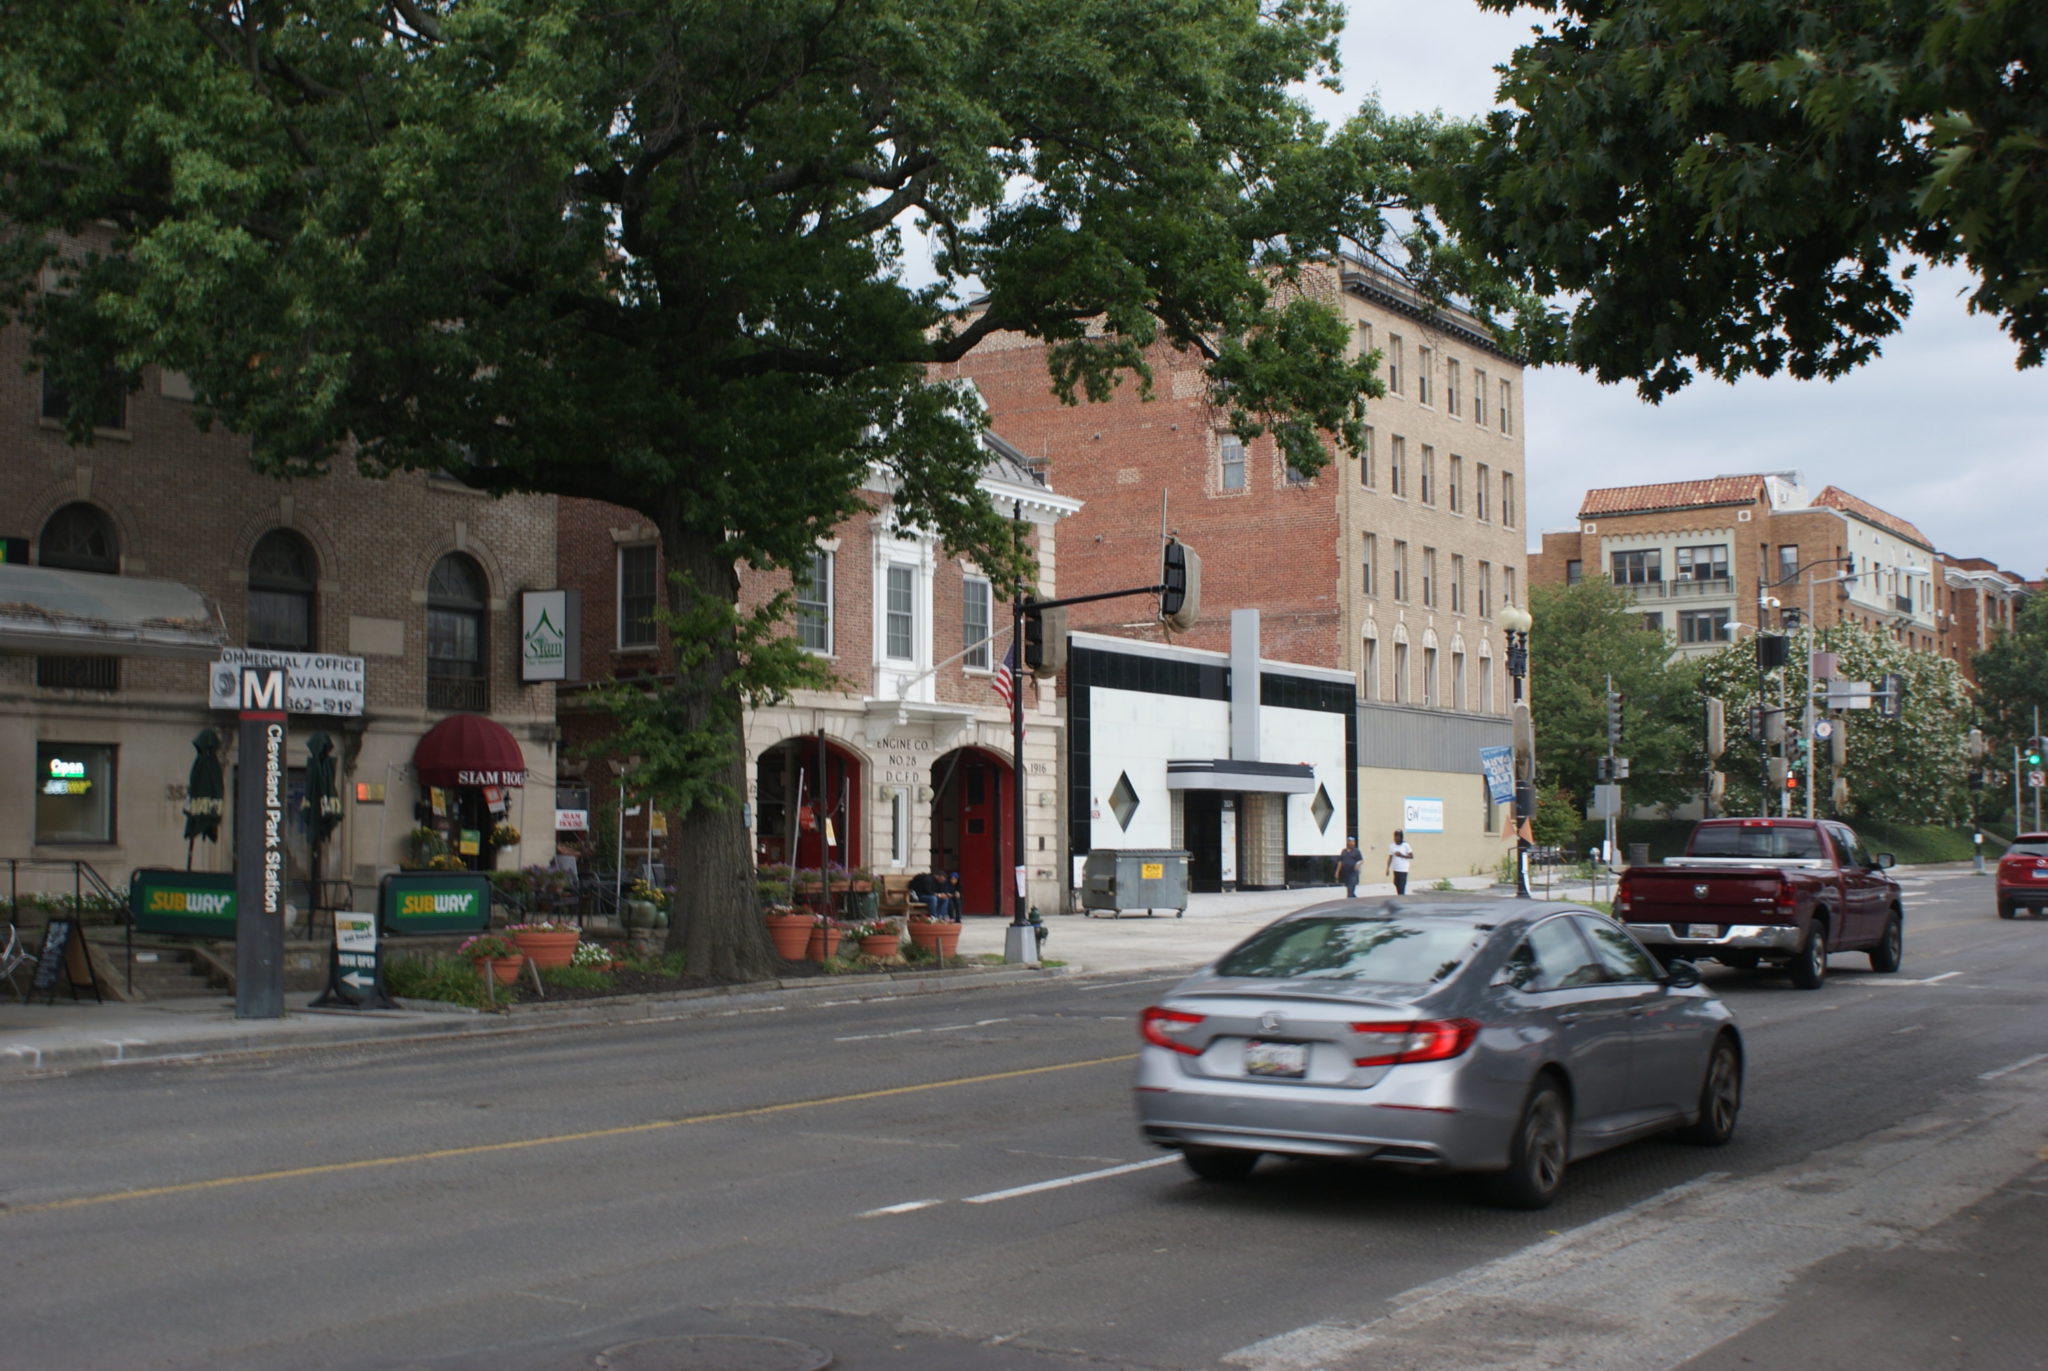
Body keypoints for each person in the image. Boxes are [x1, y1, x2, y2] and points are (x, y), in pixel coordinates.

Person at [1385, 830, 1415, 895]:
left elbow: (1411, 856)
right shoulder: (1391, 846)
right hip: (1395, 869)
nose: (1397, 838)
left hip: (1403, 869)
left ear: (1401, 837)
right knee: (1396, 883)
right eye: (1395, 836)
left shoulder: (1406, 845)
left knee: (1402, 885)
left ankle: (1402, 897)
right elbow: (1390, 857)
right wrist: (1387, 868)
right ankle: (1400, 895)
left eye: (1398, 836)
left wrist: (1401, 855)